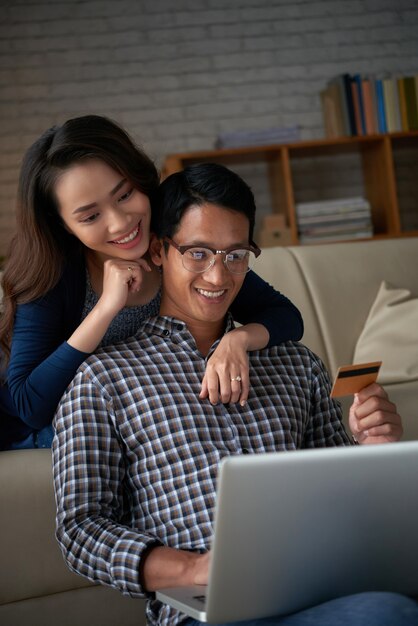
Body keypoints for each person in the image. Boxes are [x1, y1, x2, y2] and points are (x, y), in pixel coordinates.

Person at [52, 163, 412, 626]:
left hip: (323, 591)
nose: (219, 277)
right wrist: (194, 568)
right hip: (212, 612)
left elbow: (347, 506)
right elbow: (80, 530)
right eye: (198, 253)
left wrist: (374, 452)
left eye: (236, 254)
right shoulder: (104, 379)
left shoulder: (296, 365)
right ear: (159, 250)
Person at [0, 115, 303, 451]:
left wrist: (237, 340)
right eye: (90, 216)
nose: (120, 223)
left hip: (158, 413)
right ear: (64, 225)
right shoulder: (53, 272)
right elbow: (29, 406)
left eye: (125, 194)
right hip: (61, 427)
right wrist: (105, 308)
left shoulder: (178, 241)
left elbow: (286, 316)